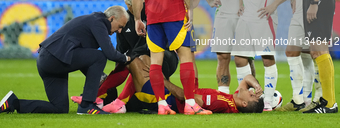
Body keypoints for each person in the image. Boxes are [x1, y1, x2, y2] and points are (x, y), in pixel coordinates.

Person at [131, 0, 211, 115]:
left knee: (156, 62)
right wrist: (189, 9)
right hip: (174, 14)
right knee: (185, 57)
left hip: (152, 17)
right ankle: (191, 104)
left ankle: (162, 105)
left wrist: (137, 19)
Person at [0, 6, 130, 115]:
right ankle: (87, 105)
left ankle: (14, 103)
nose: (119, 31)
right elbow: (109, 53)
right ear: (111, 18)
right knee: (100, 56)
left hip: (49, 60)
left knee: (59, 108)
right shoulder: (99, 22)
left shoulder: (93, 20)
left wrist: (99, 76)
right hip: (53, 59)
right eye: (119, 26)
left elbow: (83, 57)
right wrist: (127, 58)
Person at [276, 0, 340, 112]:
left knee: (317, 51)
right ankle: (299, 100)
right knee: (293, 50)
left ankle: (320, 97)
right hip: (300, 8)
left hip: (317, 5)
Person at [103, 56, 264, 114]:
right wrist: (256, 86)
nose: (248, 90)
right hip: (165, 94)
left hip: (164, 98)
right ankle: (115, 100)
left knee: (135, 61)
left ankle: (105, 97)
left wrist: (162, 81)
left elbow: (189, 98)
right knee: (144, 59)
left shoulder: (222, 103)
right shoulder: (232, 100)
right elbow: (247, 78)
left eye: (251, 94)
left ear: (244, 103)